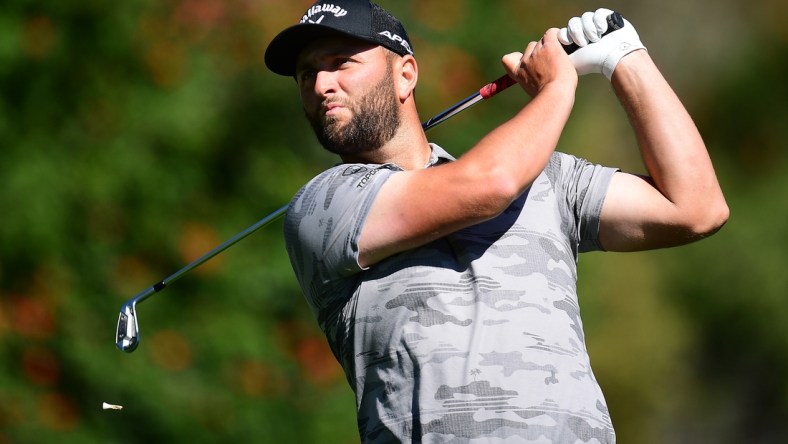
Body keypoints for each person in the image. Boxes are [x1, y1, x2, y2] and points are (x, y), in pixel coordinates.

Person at [264, 1, 728, 442]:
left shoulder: (548, 179)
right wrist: (558, 86)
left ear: (405, 74)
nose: (321, 84)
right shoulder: (324, 203)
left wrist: (626, 57)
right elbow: (488, 184)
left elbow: (696, 208)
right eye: (307, 74)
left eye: (341, 62)